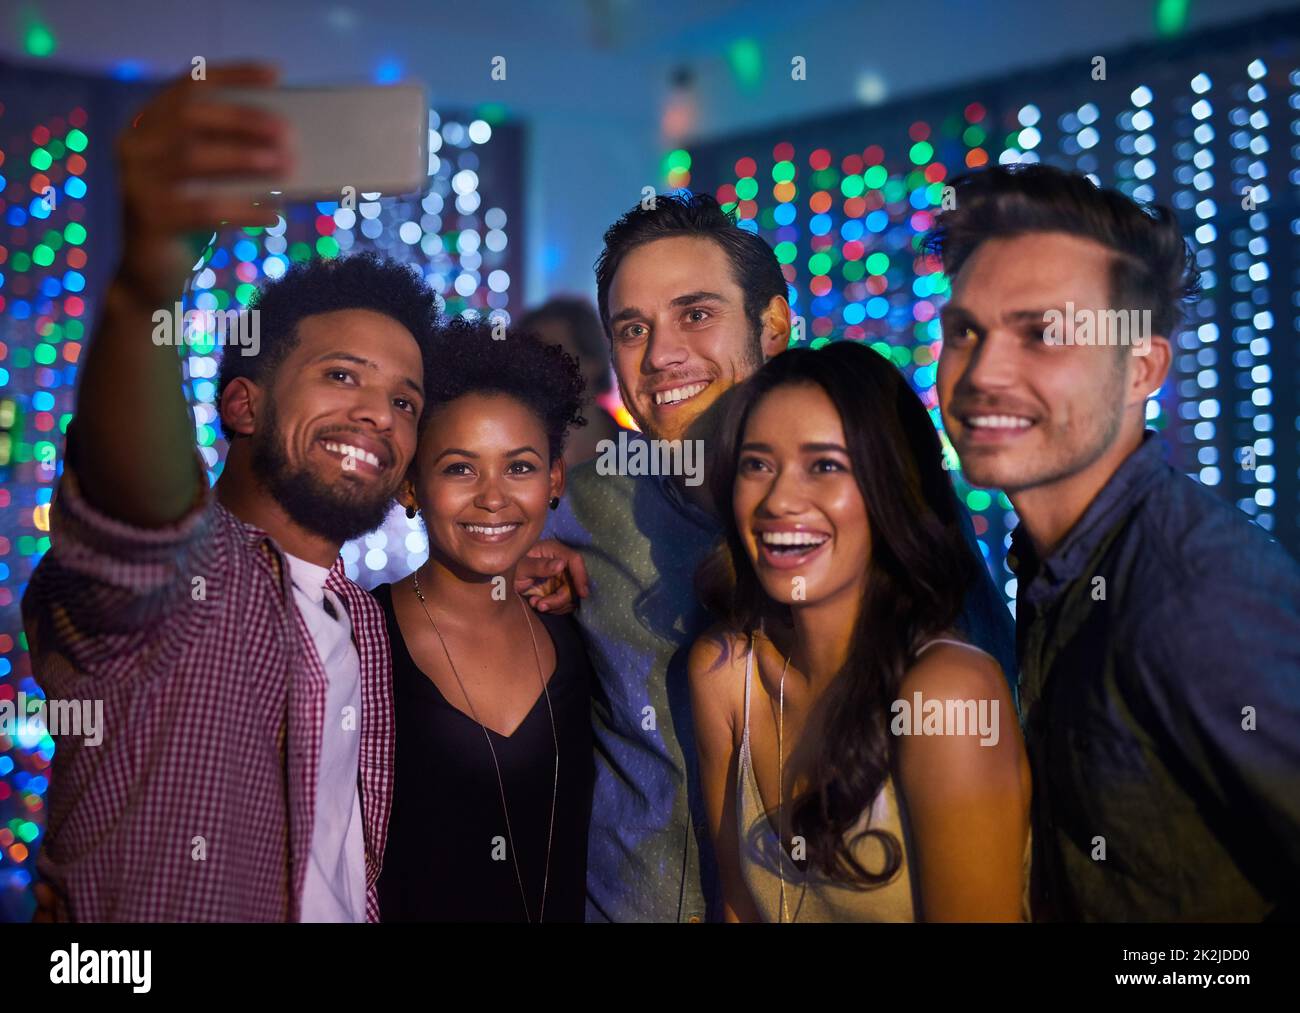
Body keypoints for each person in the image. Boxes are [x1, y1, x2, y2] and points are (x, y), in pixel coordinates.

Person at [20, 64, 440, 921]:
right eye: (341, 376)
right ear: (242, 404)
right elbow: (139, 514)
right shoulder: (188, 577)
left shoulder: (367, 618)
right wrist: (148, 285)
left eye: (403, 400)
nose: (377, 415)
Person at [543, 192, 1018, 921]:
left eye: (696, 315)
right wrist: (504, 567)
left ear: (772, 325)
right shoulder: (582, 509)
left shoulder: (887, 515)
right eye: (632, 329)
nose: (663, 354)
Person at [930, 163, 1300, 920]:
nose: (983, 371)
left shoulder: (1195, 595)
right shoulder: (1054, 565)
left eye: (1045, 333)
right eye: (966, 330)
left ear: (1143, 369)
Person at [690, 342, 1030, 921]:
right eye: (757, 464)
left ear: (890, 489)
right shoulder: (724, 673)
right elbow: (737, 909)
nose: (779, 500)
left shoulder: (945, 691)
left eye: (824, 466)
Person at [373, 318, 595, 922]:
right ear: (410, 486)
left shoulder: (581, 630)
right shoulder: (360, 640)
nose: (493, 497)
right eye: (459, 468)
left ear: (554, 480)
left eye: (520, 467)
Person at [518, 297, 625, 467]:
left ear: (593, 361)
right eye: (530, 359)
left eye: (555, 355)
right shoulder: (510, 456)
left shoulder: (648, 460)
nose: (538, 371)